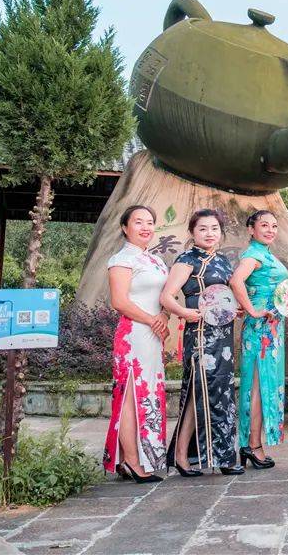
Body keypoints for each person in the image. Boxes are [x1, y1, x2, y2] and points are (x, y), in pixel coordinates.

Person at [159, 209, 243, 477]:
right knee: (199, 392)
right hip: (200, 334)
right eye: (203, 229)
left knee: (221, 393)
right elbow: (167, 296)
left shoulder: (221, 261)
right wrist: (185, 313)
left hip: (224, 337)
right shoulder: (187, 260)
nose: (210, 233)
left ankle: (211, 455)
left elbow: (222, 296)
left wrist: (234, 309)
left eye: (215, 228)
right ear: (193, 233)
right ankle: (194, 456)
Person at [103, 205, 169, 483]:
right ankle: (131, 461)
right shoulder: (121, 259)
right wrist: (153, 320)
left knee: (148, 393)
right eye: (138, 222)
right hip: (133, 335)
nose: (145, 227)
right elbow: (119, 302)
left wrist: (164, 316)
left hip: (153, 336)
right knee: (131, 394)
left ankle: (128, 457)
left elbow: (165, 296)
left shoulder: (156, 261)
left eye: (150, 222)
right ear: (125, 227)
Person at [230, 210, 287, 469]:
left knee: (263, 384)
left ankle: (252, 442)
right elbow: (236, 281)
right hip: (260, 329)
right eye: (264, 225)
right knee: (257, 386)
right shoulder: (253, 255)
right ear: (251, 229)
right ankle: (252, 444)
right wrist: (252, 309)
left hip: (271, 329)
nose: (270, 230)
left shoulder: (265, 254)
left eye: (274, 226)